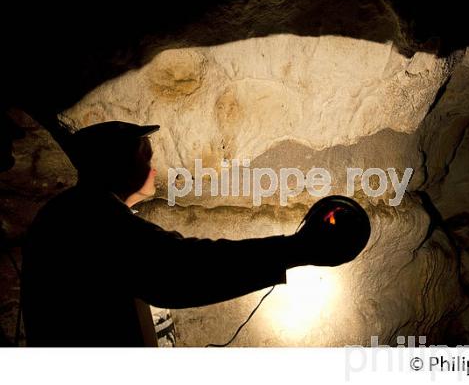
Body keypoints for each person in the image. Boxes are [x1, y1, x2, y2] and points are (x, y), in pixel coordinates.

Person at [21, 121, 369, 346]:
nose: (153, 167)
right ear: (116, 165)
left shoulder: (76, 211)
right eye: (145, 157)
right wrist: (295, 250)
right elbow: (180, 268)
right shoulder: (92, 219)